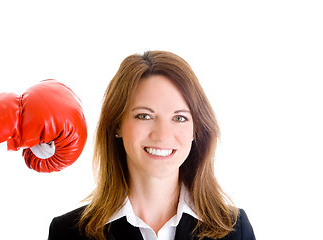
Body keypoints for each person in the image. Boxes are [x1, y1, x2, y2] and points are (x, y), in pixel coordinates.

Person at [48, 51, 255, 240]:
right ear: (117, 124)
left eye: (180, 118)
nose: (162, 134)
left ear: (196, 129)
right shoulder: (69, 233)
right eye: (144, 116)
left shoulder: (235, 230)